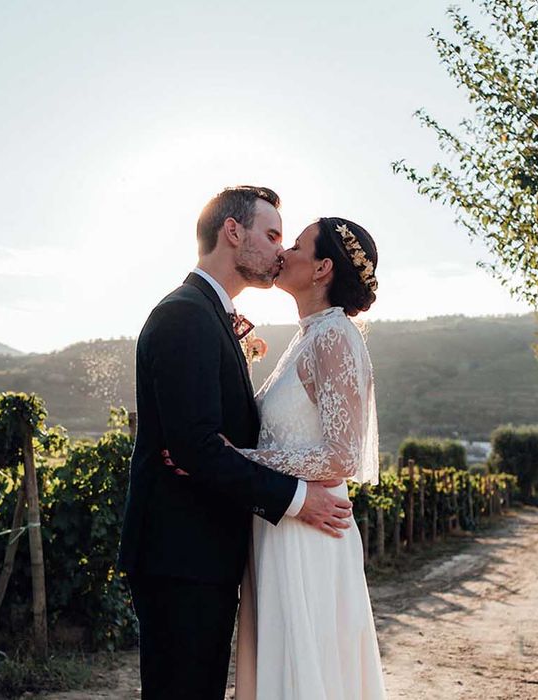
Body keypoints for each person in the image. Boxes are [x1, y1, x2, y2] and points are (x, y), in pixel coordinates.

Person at [117, 186, 354, 700]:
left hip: (203, 553)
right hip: (181, 555)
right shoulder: (186, 314)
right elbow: (197, 447)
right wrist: (297, 500)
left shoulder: (207, 314)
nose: (279, 250)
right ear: (232, 232)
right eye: (271, 235)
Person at [232, 216, 388, 699]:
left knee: (307, 667)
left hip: (309, 532)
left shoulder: (335, 335)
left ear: (322, 268)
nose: (284, 253)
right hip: (283, 524)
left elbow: (342, 455)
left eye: (296, 245)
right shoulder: (308, 335)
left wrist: (240, 458)